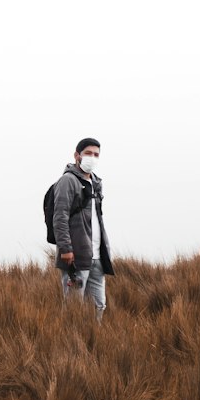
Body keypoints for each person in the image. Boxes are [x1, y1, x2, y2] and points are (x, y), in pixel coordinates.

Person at [53, 137, 114, 320]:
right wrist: (66, 249)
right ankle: (71, 345)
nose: (92, 157)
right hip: (75, 256)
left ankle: (91, 342)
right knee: (74, 308)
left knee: (99, 305)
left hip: (97, 257)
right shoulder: (68, 181)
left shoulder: (96, 183)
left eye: (96, 154)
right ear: (77, 155)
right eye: (88, 153)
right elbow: (60, 216)